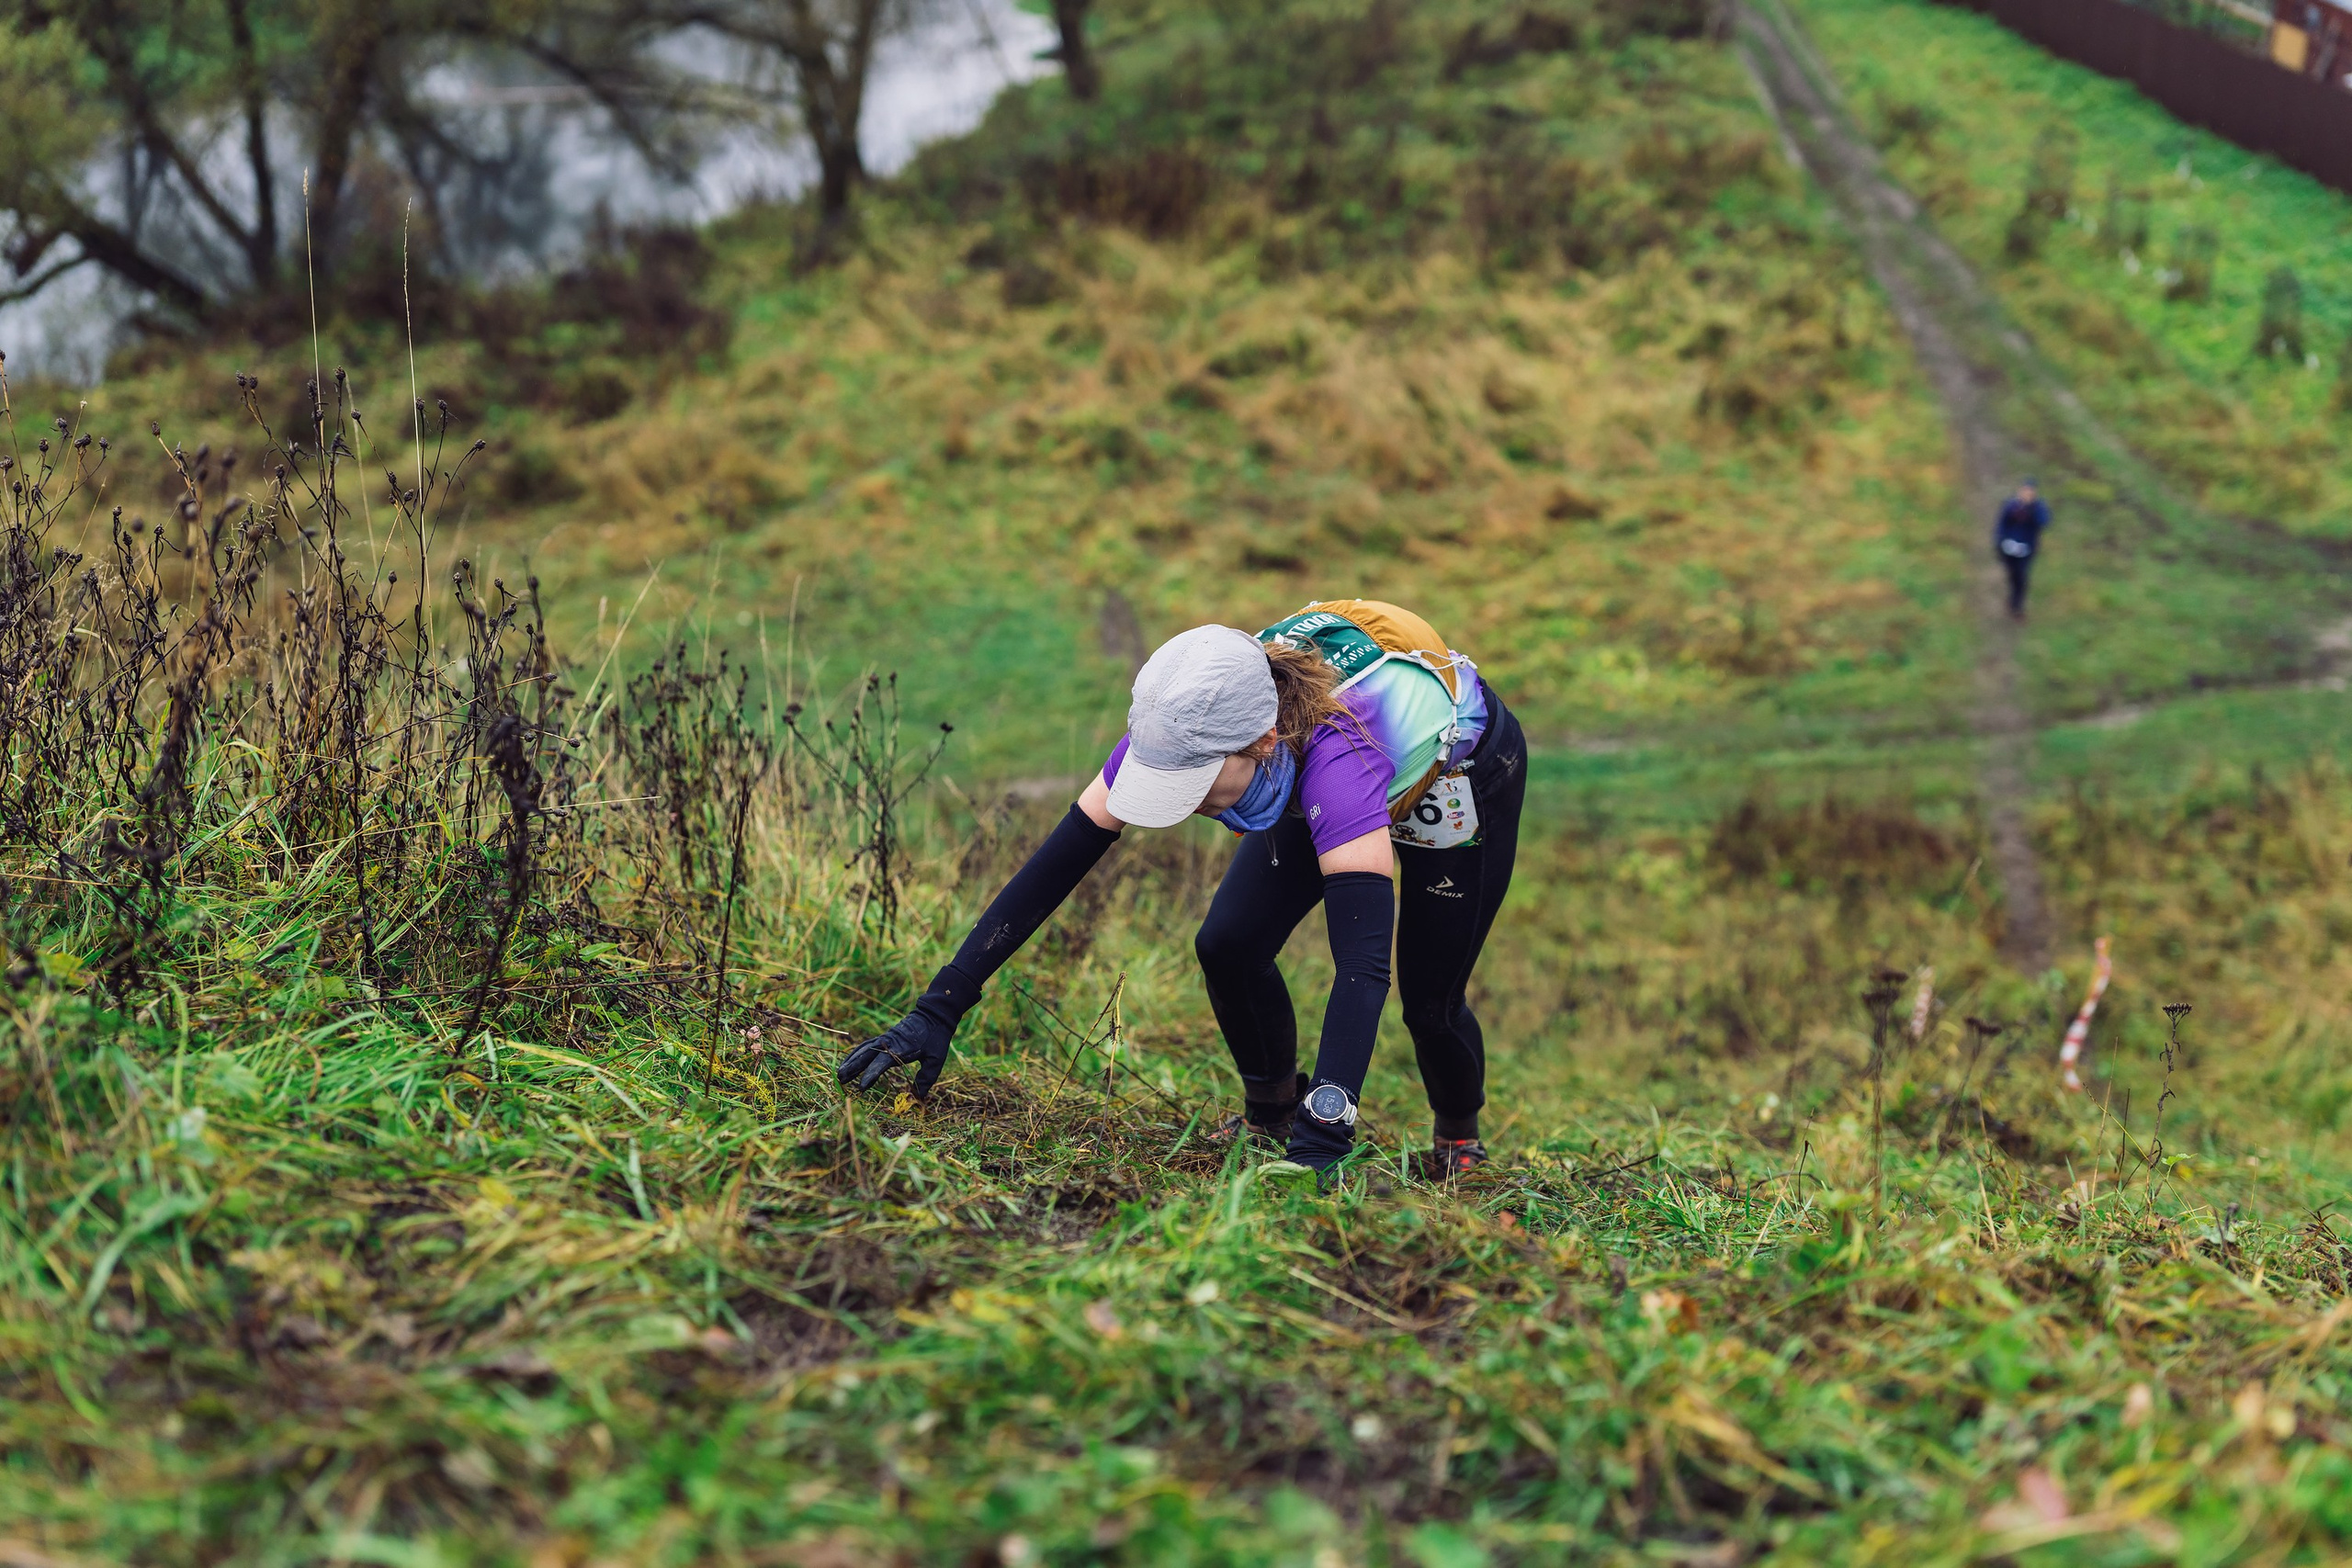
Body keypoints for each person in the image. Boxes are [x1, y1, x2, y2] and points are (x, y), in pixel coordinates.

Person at [836, 600, 1527, 1182]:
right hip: (1297, 768)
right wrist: (940, 1006)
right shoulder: (1180, 726)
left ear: (1262, 743)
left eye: (1195, 782)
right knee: (1229, 944)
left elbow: (1361, 961)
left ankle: (1458, 1141)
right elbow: (1058, 863)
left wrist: (1327, 1128)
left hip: (1457, 779)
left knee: (1430, 1001)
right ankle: (1270, 1115)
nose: (1184, 800)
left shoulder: (1338, 759)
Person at [1994, 479, 2051, 619]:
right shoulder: (2011, 505)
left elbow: (2044, 522)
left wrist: (2032, 509)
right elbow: (2002, 524)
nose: (2027, 494)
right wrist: (1999, 542)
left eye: (2030, 492)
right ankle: (2012, 598)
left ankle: (2017, 606)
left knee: (2022, 576)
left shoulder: (2038, 507)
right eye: (2025, 491)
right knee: (2013, 575)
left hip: (2026, 549)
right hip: (2009, 547)